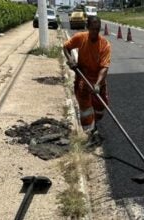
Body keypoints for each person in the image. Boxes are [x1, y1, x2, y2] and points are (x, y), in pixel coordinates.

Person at [63, 16, 111, 145]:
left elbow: (104, 68)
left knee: (101, 106)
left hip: (98, 80)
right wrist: (71, 60)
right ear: (88, 27)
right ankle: (89, 134)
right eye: (93, 29)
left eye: (97, 29)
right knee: (85, 109)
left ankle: (95, 123)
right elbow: (66, 47)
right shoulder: (80, 38)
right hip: (83, 77)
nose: (95, 32)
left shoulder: (105, 44)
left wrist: (97, 84)